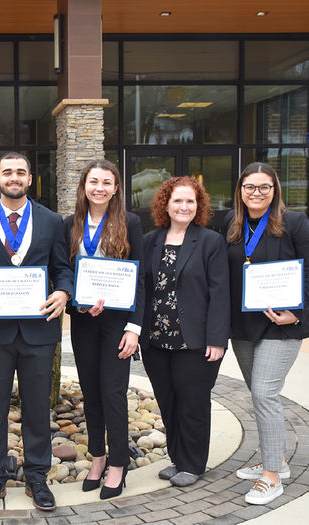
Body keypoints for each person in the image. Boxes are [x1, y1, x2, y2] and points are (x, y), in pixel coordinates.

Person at [0, 152, 73, 513]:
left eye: (20, 172)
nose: (14, 177)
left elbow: (63, 266)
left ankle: (37, 474)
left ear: (30, 178)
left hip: (38, 330)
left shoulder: (52, 220)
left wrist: (63, 292)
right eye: (7, 172)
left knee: (38, 407)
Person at [224, 162, 309, 505]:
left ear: (275, 191)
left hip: (281, 325)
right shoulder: (230, 224)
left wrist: (298, 314)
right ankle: (278, 459)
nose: (256, 193)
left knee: (264, 393)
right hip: (242, 326)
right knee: (258, 394)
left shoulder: (296, 223)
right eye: (250, 187)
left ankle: (271, 477)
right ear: (240, 191)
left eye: (264, 187)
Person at [141, 176, 229, 488]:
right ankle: (178, 458)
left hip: (195, 340)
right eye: (177, 200)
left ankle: (193, 464)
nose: (183, 206)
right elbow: (142, 288)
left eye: (190, 201)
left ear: (199, 205)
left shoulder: (209, 242)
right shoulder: (150, 240)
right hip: (155, 340)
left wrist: (218, 339)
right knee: (168, 401)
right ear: (165, 204)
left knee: (192, 402)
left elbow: (220, 294)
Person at [64, 159, 144, 499]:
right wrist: (76, 305)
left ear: (115, 189)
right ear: (84, 186)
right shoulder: (70, 225)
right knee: (91, 392)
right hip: (84, 321)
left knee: (113, 393)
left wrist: (134, 327)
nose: (99, 188)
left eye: (106, 182)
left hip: (117, 323)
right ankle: (97, 457)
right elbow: (64, 273)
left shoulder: (131, 223)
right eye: (93, 181)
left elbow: (141, 278)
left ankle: (118, 464)